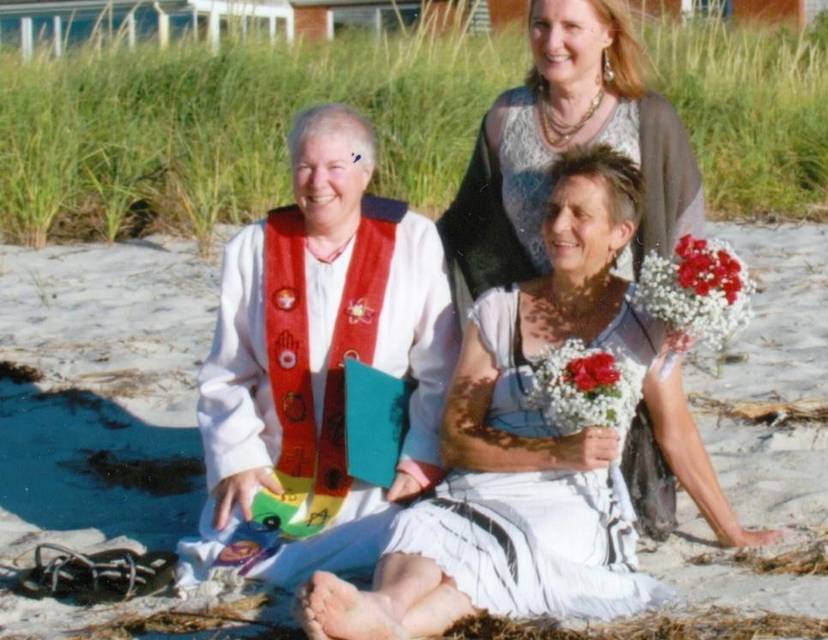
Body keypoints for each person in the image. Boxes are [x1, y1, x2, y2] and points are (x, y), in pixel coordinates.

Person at [297, 145, 780, 639]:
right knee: (424, 528)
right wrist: (556, 450)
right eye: (552, 211)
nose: (558, 226)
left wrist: (731, 530)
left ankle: (392, 623)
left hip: (575, 500)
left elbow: (675, 433)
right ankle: (387, 608)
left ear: (621, 233)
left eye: (580, 215)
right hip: (484, 483)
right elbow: (457, 439)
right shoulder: (498, 310)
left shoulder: (646, 322)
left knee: (502, 547)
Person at [438, 0, 706, 541]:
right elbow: (469, 232)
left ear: (608, 33)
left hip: (622, 333)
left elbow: (684, 225)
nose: (552, 41)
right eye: (541, 25)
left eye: (571, 27)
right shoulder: (504, 117)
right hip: (531, 336)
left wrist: (682, 311)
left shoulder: (648, 117)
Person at [175, 104, 459, 590]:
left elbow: (440, 367)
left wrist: (421, 455)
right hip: (277, 465)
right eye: (305, 167)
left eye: (336, 167)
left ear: (365, 172)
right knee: (228, 551)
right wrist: (239, 461)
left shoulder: (413, 239)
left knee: (404, 537)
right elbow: (226, 375)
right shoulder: (252, 248)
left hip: (373, 472)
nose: (318, 182)